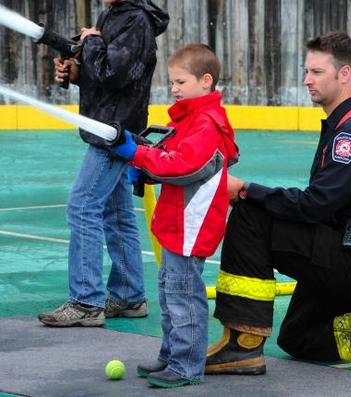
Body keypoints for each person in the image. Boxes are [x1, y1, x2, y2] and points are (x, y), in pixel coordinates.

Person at [205, 31, 351, 375]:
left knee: (251, 215)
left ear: (344, 74)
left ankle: (241, 343)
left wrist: (246, 190)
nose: (307, 80)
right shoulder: (344, 125)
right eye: (307, 71)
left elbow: (317, 205)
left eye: (317, 72)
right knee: (297, 337)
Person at [110, 43, 239, 388]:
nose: (175, 88)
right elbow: (170, 154)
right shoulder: (189, 119)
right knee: (170, 295)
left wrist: (138, 155)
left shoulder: (207, 123)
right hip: (176, 223)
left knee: (184, 297)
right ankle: (171, 356)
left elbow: (185, 165)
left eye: (181, 81)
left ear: (206, 81)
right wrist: (147, 163)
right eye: (173, 82)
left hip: (191, 227)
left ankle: (186, 366)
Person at [38, 0, 169, 327]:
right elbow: (106, 72)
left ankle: (85, 301)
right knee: (117, 213)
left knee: (82, 206)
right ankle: (128, 296)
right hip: (109, 126)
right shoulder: (115, 14)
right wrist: (76, 72)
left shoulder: (135, 20)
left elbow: (115, 75)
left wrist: (92, 41)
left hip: (114, 131)